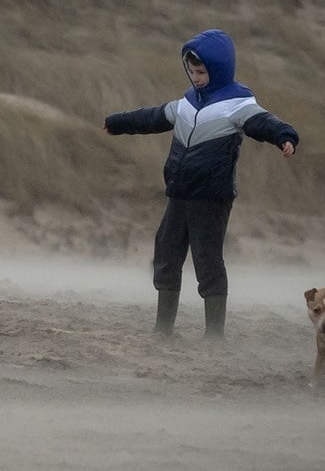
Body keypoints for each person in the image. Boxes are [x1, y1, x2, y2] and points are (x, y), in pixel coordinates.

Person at [104, 29, 298, 340]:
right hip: (179, 193)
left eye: (202, 72)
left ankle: (214, 334)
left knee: (207, 261)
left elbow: (264, 123)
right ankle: (163, 328)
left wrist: (285, 137)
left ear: (219, 69)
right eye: (192, 72)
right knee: (166, 254)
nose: (196, 78)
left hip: (211, 197)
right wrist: (118, 123)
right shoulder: (186, 103)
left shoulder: (237, 104)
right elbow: (152, 118)